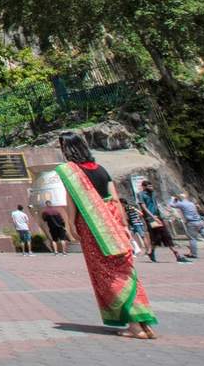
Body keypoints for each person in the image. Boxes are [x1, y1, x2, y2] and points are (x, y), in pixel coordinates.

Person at [57, 131, 157, 339]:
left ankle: (135, 327)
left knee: (107, 273)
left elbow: (71, 202)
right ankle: (144, 323)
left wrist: (70, 225)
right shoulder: (101, 169)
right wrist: (122, 224)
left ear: (67, 149)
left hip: (92, 226)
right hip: (113, 223)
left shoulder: (73, 172)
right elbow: (115, 198)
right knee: (125, 270)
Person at [137, 180, 186, 263]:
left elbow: (156, 204)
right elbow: (144, 207)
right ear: (144, 187)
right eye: (149, 186)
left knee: (160, 236)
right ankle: (177, 254)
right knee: (161, 235)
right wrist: (153, 217)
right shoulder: (141, 194)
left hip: (158, 216)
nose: (151, 188)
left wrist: (160, 215)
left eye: (151, 186)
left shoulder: (153, 193)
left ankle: (152, 252)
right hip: (151, 218)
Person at [168, 193, 204, 260]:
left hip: (192, 223)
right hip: (200, 222)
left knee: (192, 239)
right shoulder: (191, 204)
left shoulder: (182, 204)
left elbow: (171, 205)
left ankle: (194, 254)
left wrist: (172, 199)